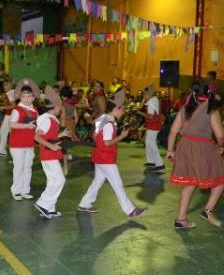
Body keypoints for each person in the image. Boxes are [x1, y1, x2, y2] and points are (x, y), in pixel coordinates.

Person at [167, 80, 224, 230]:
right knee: (223, 177)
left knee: (190, 183)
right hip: (202, 147)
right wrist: (221, 146)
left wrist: (170, 150)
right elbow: (220, 135)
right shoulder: (211, 110)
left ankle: (181, 219)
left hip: (184, 146)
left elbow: (173, 131)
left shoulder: (185, 108)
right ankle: (208, 210)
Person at [77, 90, 147, 218]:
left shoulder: (102, 118)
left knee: (97, 181)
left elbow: (95, 136)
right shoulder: (109, 123)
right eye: (122, 110)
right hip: (106, 158)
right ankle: (130, 210)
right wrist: (121, 136)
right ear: (116, 109)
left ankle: (85, 203)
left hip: (98, 156)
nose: (123, 112)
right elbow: (108, 142)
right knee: (117, 184)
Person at [34, 87, 67, 219]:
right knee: (60, 180)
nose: (61, 108)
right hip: (48, 155)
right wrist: (52, 147)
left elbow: (49, 136)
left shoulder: (51, 119)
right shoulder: (47, 119)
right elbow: (37, 137)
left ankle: (50, 209)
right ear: (55, 106)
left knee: (52, 180)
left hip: (49, 154)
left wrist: (61, 134)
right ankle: (43, 203)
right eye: (60, 106)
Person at [8, 78, 39, 201]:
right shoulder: (17, 110)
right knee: (19, 167)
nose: (26, 98)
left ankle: (25, 190)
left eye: (29, 96)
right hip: (17, 144)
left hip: (29, 144)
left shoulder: (35, 111)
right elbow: (12, 124)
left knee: (28, 168)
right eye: (24, 96)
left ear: (33, 97)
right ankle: (16, 191)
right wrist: (26, 126)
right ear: (20, 97)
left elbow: (36, 127)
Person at [138, 84, 164, 173]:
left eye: (144, 94)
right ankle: (151, 161)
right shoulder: (154, 100)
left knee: (152, 144)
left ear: (149, 94)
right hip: (154, 126)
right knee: (148, 143)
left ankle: (159, 164)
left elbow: (151, 116)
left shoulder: (151, 103)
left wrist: (139, 113)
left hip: (153, 126)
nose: (143, 96)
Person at [0, 80, 15, 157]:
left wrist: (3, 107)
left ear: (10, 85)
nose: (4, 87)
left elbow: (13, 106)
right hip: (9, 115)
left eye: (6, 85)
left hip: (11, 116)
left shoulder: (10, 93)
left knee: (11, 133)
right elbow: (9, 104)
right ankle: (2, 151)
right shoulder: (10, 93)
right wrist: (0, 105)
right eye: (4, 85)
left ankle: (15, 152)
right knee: (3, 131)